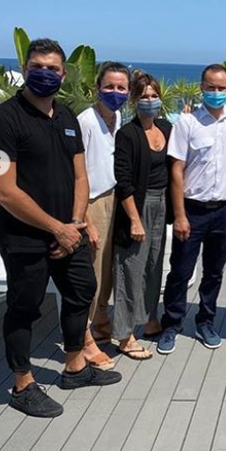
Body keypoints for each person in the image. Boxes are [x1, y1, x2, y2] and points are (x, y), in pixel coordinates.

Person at [0, 38, 121, 418]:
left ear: (63, 74)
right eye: (37, 67)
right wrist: (57, 229)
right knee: (24, 306)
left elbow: (80, 177)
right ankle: (22, 384)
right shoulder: (0, 122)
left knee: (81, 291)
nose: (45, 74)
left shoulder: (67, 117)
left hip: (69, 230)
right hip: (22, 236)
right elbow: (6, 192)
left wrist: (73, 224)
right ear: (25, 70)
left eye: (53, 69)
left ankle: (74, 366)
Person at [157, 64, 226, 352]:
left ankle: (205, 321)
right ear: (201, 88)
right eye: (210, 87)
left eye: (221, 88)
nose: (216, 92)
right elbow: (176, 170)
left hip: (225, 210)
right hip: (192, 210)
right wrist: (180, 215)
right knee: (180, 271)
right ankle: (171, 324)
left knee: (214, 272)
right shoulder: (187, 123)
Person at [112, 71, 172, 359]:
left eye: (154, 95)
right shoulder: (127, 134)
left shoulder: (166, 127)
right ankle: (124, 335)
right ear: (134, 100)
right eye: (144, 96)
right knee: (130, 269)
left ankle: (149, 319)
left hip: (163, 202)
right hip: (137, 204)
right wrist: (134, 220)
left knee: (153, 265)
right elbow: (123, 181)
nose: (150, 100)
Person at [77, 61, 130, 370]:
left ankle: (100, 322)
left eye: (121, 87)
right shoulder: (85, 121)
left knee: (108, 269)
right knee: (92, 274)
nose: (115, 92)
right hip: (93, 202)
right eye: (109, 86)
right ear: (98, 88)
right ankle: (82, 338)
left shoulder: (119, 117)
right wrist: (85, 219)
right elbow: (76, 172)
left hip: (115, 198)